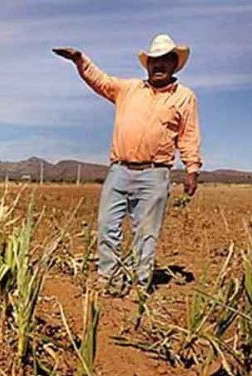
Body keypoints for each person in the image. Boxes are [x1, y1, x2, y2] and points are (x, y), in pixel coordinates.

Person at [53, 34, 201, 289]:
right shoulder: (128, 89)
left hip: (155, 174)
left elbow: (189, 134)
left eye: (165, 60)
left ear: (175, 64)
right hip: (119, 170)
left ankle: (139, 284)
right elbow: (100, 80)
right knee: (107, 225)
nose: (159, 65)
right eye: (154, 60)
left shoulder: (184, 97)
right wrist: (79, 60)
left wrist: (192, 169)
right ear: (147, 65)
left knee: (146, 233)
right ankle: (109, 280)